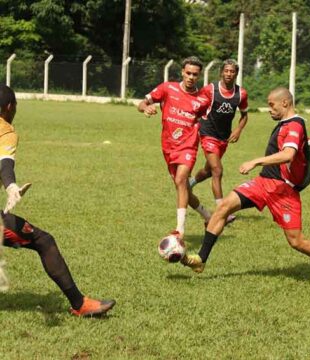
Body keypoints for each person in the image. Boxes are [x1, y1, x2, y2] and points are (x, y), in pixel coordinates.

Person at [181, 87, 310, 285]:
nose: (269, 109)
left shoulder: (294, 125)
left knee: (296, 241)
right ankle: (201, 259)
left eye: (271, 105)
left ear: (284, 103)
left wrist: (255, 161)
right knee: (224, 206)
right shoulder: (289, 124)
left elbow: (288, 155)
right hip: (262, 183)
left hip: (283, 191)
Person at [0, 84, 116, 316]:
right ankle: (79, 304)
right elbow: (4, 162)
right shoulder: (5, 131)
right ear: (10, 107)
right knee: (44, 241)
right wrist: (11, 186)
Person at [137, 56, 213, 238]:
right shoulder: (167, 88)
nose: (191, 77)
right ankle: (208, 216)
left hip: (188, 146)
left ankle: (180, 230)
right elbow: (142, 102)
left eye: (195, 74)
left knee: (180, 180)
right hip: (169, 147)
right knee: (184, 188)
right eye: (188, 73)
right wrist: (145, 108)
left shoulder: (203, 99)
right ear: (182, 72)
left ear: (199, 75)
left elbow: (206, 122)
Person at [189, 59, 249, 223]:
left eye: (232, 71)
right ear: (221, 72)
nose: (229, 74)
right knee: (217, 170)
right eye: (226, 71)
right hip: (207, 133)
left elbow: (244, 116)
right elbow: (195, 105)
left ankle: (190, 184)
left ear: (236, 73)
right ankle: (222, 212)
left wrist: (238, 129)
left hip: (224, 138)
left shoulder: (241, 94)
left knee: (208, 171)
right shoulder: (211, 89)